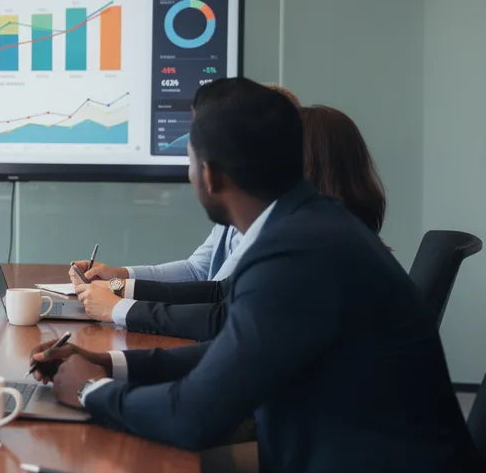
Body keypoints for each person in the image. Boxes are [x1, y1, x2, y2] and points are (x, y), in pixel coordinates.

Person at [29, 79, 480, 473]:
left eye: (188, 160)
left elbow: (193, 417)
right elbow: (234, 351)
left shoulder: (296, 252)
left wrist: (89, 389)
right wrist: (111, 364)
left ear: (209, 174)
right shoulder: (307, 226)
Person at [75, 103, 390, 340]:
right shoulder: (326, 232)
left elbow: (223, 317)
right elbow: (222, 291)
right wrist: (117, 287)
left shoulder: (318, 247)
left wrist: (116, 307)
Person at [73, 84, 301, 288]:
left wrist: (118, 291)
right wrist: (120, 275)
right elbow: (196, 270)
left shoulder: (272, 223)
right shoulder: (239, 203)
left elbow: (216, 294)